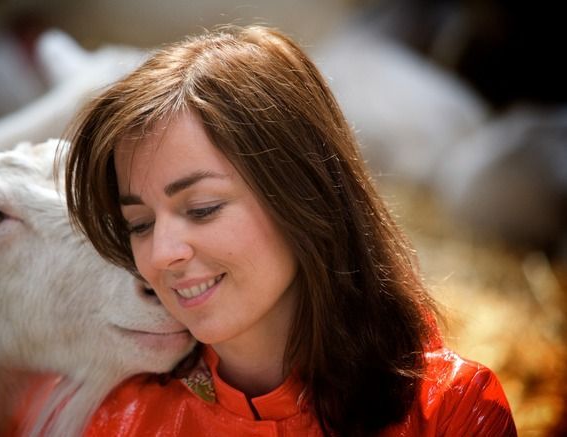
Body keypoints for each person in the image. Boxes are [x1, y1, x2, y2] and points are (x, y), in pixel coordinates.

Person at [64, 25, 517, 436]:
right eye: (139, 224)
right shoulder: (121, 422)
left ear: (303, 195)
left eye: (202, 208)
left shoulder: (452, 413)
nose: (161, 254)